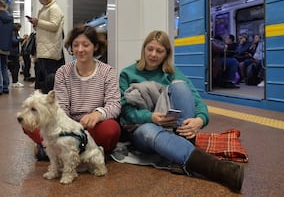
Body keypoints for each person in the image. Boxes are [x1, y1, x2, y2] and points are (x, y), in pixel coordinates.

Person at [118, 30, 244, 192]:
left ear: (167, 54)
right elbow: (125, 111)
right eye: (150, 49)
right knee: (149, 131)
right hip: (142, 129)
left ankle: (180, 155)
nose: (153, 54)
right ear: (143, 49)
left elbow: (197, 101)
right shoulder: (127, 74)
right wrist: (151, 117)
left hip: (173, 128)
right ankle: (220, 169)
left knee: (180, 86)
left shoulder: (172, 73)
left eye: (159, 51)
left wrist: (200, 120)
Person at [24, 25, 121, 159]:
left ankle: (51, 151)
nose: (80, 49)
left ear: (95, 47)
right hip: (67, 127)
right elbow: (61, 107)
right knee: (29, 123)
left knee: (111, 129)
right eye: (76, 45)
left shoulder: (107, 72)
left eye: (85, 45)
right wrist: (72, 128)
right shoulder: (63, 72)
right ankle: (89, 152)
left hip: (94, 126)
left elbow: (114, 104)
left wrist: (97, 114)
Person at [27, 0, 64, 92]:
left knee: (51, 76)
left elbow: (54, 25)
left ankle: (54, 99)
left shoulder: (54, 8)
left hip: (50, 46)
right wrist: (35, 24)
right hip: (45, 46)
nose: (39, 0)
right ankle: (50, 98)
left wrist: (38, 22)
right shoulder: (45, 9)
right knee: (47, 75)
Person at [9, 23, 24, 88]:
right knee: (16, 67)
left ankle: (15, 81)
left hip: (14, 52)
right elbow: (13, 41)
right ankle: (15, 82)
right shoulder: (13, 33)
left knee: (15, 67)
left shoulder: (15, 33)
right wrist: (21, 39)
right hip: (13, 53)